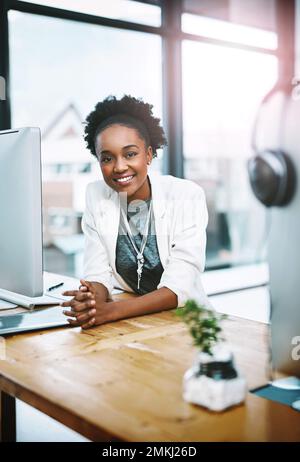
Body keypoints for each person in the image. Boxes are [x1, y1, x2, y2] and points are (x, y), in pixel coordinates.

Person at [61, 95, 209, 329]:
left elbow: (178, 288)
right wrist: (91, 301)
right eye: (107, 158)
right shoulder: (95, 195)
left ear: (149, 154)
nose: (119, 167)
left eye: (130, 154)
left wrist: (109, 311)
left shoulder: (186, 196)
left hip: (187, 323)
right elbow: (98, 274)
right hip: (134, 324)